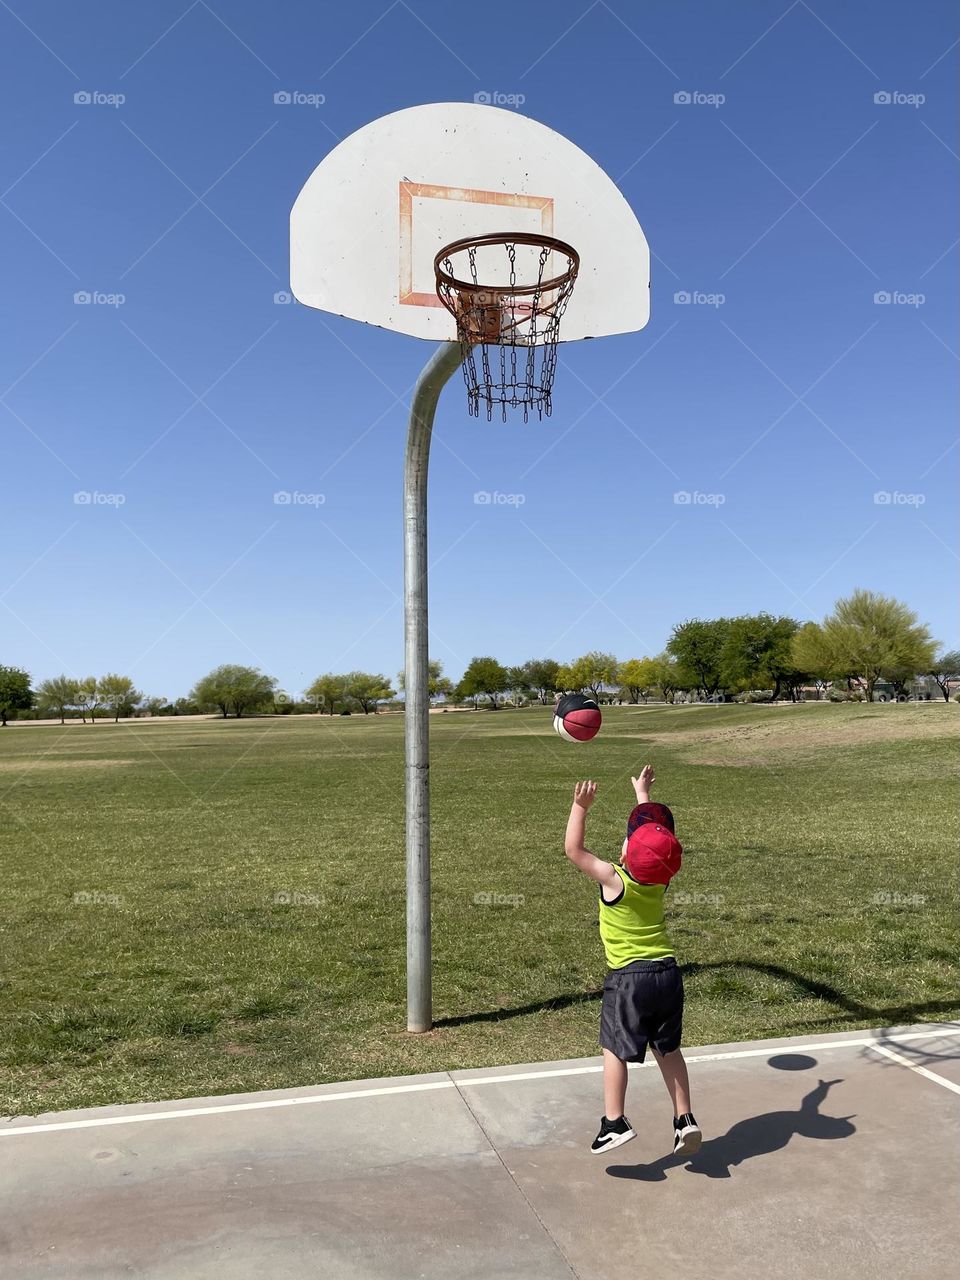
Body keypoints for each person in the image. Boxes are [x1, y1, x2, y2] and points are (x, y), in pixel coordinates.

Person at [563, 764, 701, 1156]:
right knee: (668, 1050)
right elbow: (659, 844)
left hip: (629, 979)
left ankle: (614, 1122)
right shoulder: (662, 878)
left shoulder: (614, 879)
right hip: (668, 974)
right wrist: (643, 796)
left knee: (614, 1048)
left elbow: (574, 850)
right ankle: (684, 1119)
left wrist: (580, 807)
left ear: (625, 851)